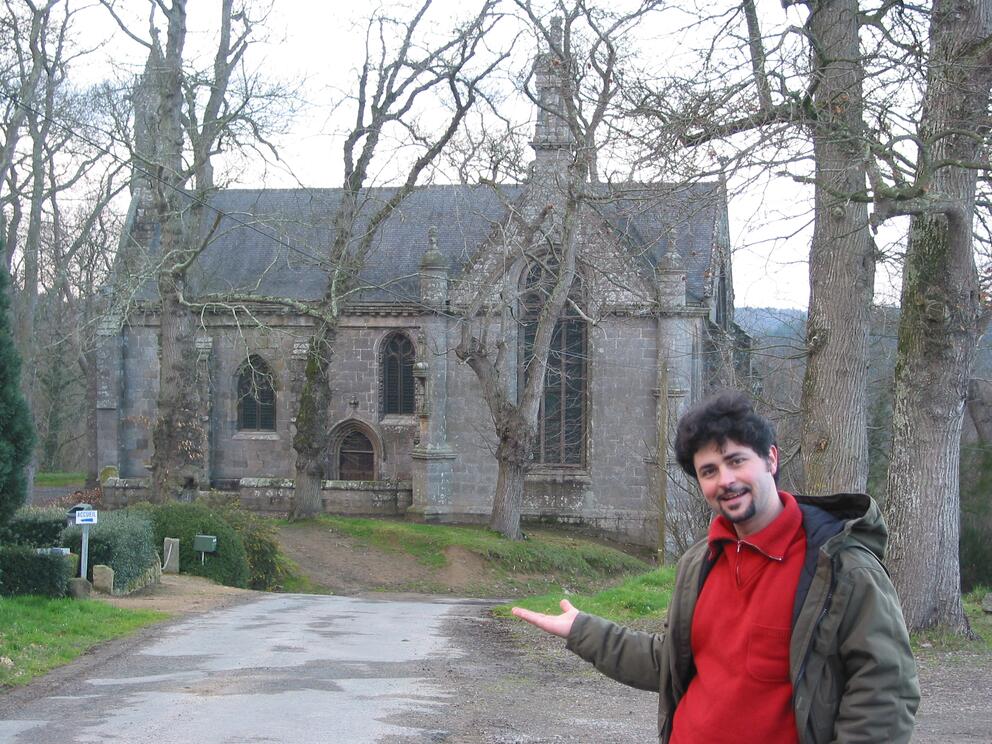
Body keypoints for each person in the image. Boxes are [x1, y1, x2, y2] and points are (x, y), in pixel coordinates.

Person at [513, 390, 920, 743]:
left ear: (771, 459)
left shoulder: (843, 567)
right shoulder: (699, 562)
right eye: (709, 471)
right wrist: (583, 630)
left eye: (736, 461)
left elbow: (886, 690)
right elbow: (668, 663)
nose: (725, 480)